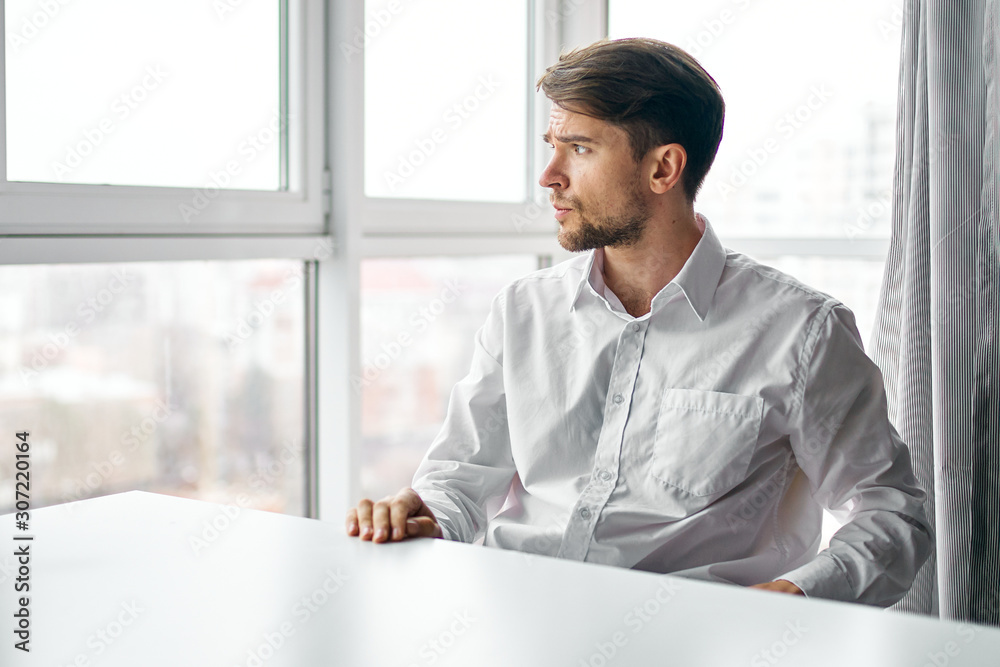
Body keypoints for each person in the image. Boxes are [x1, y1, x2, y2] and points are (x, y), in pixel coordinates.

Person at [346, 37, 933, 606]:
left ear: (663, 169)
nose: (549, 174)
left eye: (579, 148)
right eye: (551, 144)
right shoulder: (522, 312)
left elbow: (890, 513)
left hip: (694, 644)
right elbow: (459, 479)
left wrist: (794, 594)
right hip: (515, 621)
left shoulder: (802, 332)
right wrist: (425, 515)